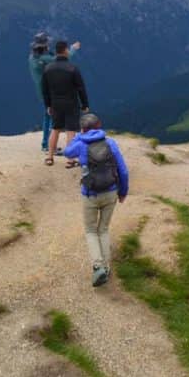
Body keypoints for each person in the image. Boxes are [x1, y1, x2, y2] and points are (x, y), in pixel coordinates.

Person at [63, 113, 129, 287]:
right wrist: (123, 192)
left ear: (83, 129)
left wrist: (78, 135)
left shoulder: (80, 143)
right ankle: (106, 268)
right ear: (99, 126)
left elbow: (67, 152)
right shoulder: (111, 143)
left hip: (90, 194)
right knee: (104, 229)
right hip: (111, 193)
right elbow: (123, 171)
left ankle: (98, 266)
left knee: (91, 231)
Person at [28, 33, 80, 153]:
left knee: (48, 116)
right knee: (53, 117)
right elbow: (63, 59)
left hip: (42, 91)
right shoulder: (44, 58)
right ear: (45, 45)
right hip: (50, 91)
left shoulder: (33, 57)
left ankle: (46, 144)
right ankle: (48, 147)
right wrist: (73, 48)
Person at [41, 40, 90, 166]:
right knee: (70, 131)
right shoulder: (73, 68)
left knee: (55, 129)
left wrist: (48, 105)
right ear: (65, 51)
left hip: (55, 103)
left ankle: (50, 157)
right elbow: (81, 88)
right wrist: (85, 104)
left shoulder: (48, 69)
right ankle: (70, 159)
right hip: (71, 103)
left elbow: (45, 90)